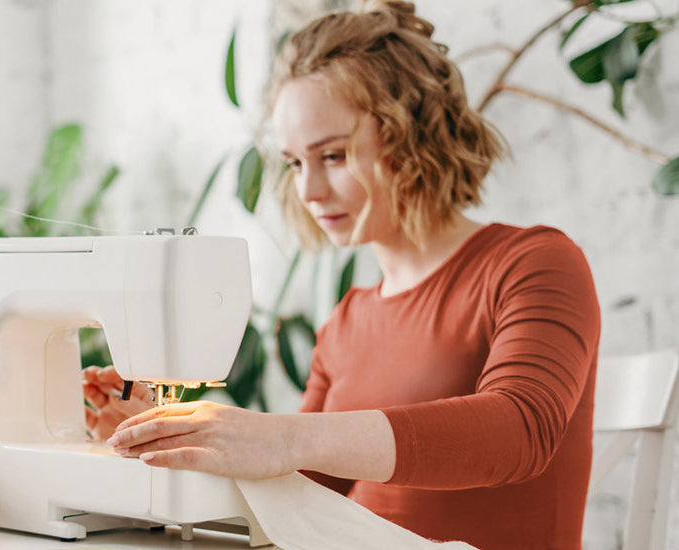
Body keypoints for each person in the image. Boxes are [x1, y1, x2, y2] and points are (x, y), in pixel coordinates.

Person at [81, 2, 601, 549]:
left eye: (331, 156)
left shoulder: (533, 263)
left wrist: (284, 436)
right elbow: (301, 493)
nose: (308, 191)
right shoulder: (347, 320)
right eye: (294, 163)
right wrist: (174, 442)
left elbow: (520, 429)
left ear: (412, 136)